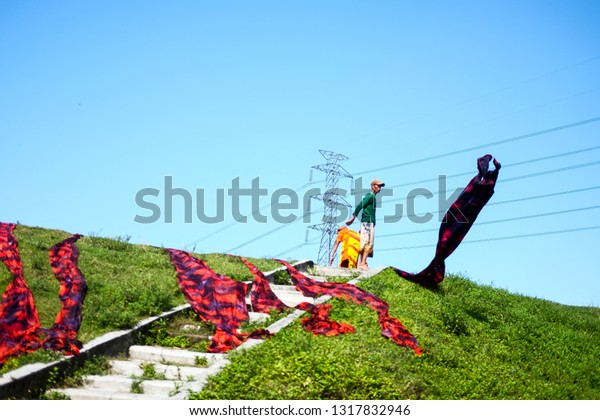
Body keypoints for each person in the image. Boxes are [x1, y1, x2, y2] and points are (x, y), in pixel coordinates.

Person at [346, 179, 385, 270]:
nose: (379, 188)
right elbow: (361, 205)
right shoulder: (370, 195)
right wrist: (353, 217)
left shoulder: (373, 197)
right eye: (378, 186)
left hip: (369, 222)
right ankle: (362, 263)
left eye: (380, 186)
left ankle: (362, 263)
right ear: (373, 186)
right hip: (367, 222)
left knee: (367, 242)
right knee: (367, 243)